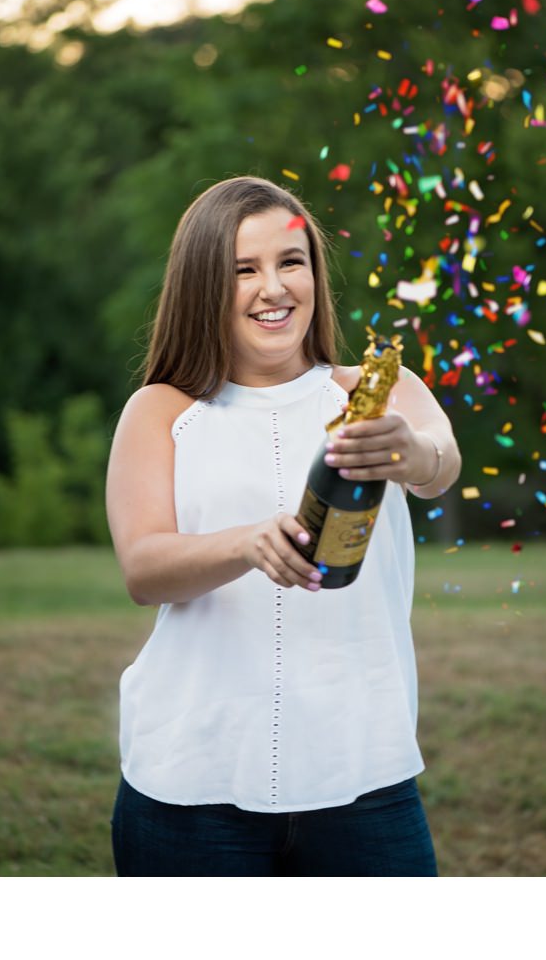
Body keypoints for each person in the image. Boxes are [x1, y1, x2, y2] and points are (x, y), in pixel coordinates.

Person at [104, 176, 462, 875]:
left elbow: (440, 463)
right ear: (203, 286)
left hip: (364, 778)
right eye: (244, 270)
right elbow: (143, 567)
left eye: (289, 262)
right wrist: (246, 542)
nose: (273, 287)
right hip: (190, 787)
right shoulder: (159, 410)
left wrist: (412, 451)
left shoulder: (379, 392)